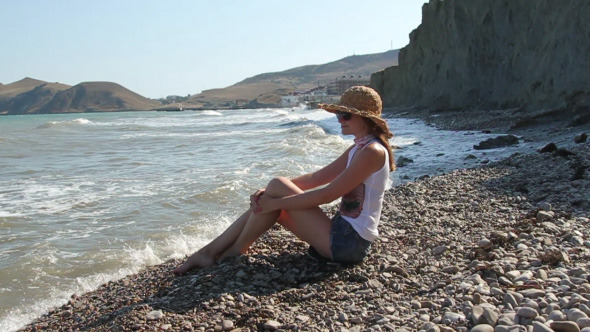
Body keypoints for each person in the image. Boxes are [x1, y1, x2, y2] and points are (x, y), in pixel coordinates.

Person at [172, 86, 395, 275]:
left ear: (366, 118)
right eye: (338, 114)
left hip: (349, 244)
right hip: (342, 235)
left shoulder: (372, 152)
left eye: (346, 115)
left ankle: (225, 252)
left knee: (274, 194)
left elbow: (328, 195)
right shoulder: (359, 148)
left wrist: (275, 202)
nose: (339, 120)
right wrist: (268, 192)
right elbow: (317, 178)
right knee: (274, 187)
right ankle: (218, 251)